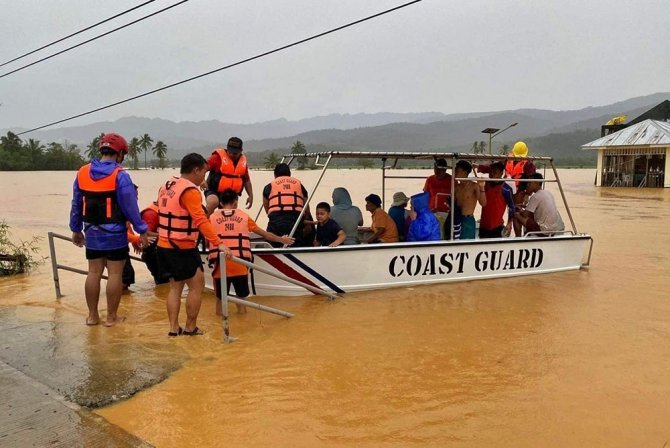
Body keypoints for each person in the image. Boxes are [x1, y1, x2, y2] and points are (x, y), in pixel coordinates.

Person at [69, 132, 149, 327]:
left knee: (93, 272)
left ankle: (92, 317)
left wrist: (76, 228)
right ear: (119, 153)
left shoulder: (82, 172)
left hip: (92, 232)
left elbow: (76, 204)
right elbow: (131, 207)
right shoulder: (121, 176)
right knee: (115, 274)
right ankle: (111, 318)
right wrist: (142, 230)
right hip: (115, 234)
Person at [157, 153, 232, 337]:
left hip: (164, 244)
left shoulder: (167, 185)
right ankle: (191, 328)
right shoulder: (190, 191)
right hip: (182, 246)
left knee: (175, 287)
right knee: (197, 285)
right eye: (204, 173)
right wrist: (219, 243)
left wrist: (199, 186)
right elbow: (200, 220)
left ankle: (173, 329)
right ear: (196, 170)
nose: (204, 178)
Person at [208, 189, 294, 314]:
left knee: (220, 300)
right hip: (240, 263)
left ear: (220, 203)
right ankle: (243, 324)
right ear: (236, 203)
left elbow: (206, 237)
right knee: (241, 298)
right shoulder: (243, 216)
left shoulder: (212, 218)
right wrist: (282, 239)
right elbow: (265, 234)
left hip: (220, 264)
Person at [263, 163, 309, 247]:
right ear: (290, 174)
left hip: (276, 222)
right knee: (298, 241)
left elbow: (267, 208)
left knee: (272, 242)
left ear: (275, 175)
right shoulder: (300, 185)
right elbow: (306, 207)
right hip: (295, 221)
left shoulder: (269, 186)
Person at [204, 137, 253, 214]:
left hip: (230, 193)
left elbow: (246, 180)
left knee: (230, 210)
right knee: (213, 202)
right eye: (230, 152)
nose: (231, 154)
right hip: (213, 190)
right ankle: (203, 222)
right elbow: (203, 168)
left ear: (240, 151)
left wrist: (250, 195)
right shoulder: (217, 157)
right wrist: (202, 180)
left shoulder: (243, 162)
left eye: (235, 153)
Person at [479, 162, 515, 238]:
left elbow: (511, 207)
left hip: (497, 226)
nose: (492, 174)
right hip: (483, 225)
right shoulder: (484, 185)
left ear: (501, 173)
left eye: (494, 171)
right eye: (490, 171)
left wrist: (509, 223)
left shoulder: (506, 189)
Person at [453, 160, 486, 240]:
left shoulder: (474, 186)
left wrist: (481, 187)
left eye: (457, 171)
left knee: (467, 245)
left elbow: (483, 203)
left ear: (464, 172)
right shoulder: (456, 187)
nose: (455, 173)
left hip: (468, 220)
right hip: (457, 219)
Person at [423, 158, 453, 239]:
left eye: (439, 170)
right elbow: (425, 196)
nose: (437, 172)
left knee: (445, 235)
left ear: (445, 170)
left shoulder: (452, 180)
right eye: (435, 169)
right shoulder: (430, 179)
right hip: (432, 213)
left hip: (448, 214)